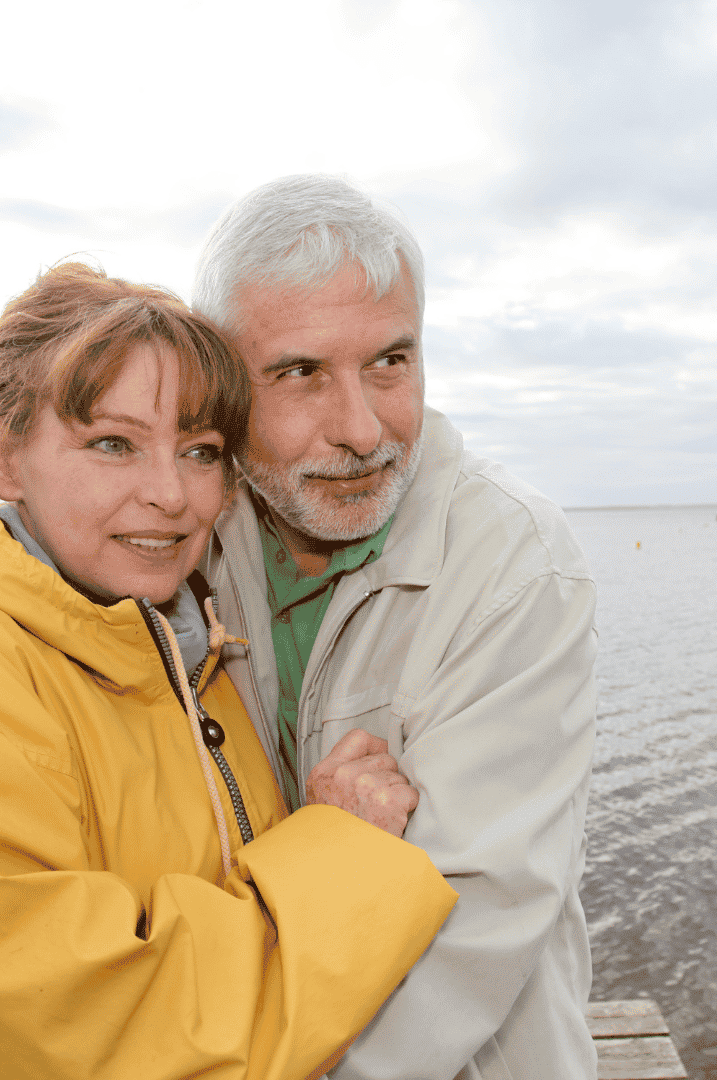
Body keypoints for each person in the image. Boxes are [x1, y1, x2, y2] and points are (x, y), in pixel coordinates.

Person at [0, 263, 458, 1080]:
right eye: (112, 444)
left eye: (201, 451)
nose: (171, 495)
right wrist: (343, 854)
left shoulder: (156, 635)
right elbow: (96, 1039)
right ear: (3, 455)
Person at [192, 176, 599, 1080]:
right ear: (219, 385)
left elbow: (470, 923)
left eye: (391, 361)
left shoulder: (513, 564)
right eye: (300, 373)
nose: (363, 427)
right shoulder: (184, 547)